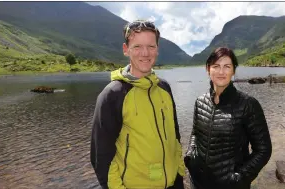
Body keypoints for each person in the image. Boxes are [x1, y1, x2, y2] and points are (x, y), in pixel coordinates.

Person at [90, 20, 185, 189]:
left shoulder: (164, 88)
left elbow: (175, 137)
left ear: (157, 49)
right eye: (137, 47)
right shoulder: (112, 95)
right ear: (126, 50)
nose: (145, 53)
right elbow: (101, 157)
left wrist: (179, 176)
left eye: (151, 46)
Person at [184, 47, 272, 189]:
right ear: (208, 69)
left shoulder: (248, 105)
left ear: (233, 70)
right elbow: (195, 133)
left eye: (227, 66)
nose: (221, 72)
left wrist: (240, 178)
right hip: (198, 182)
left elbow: (263, 150)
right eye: (216, 66)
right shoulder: (200, 102)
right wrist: (189, 156)